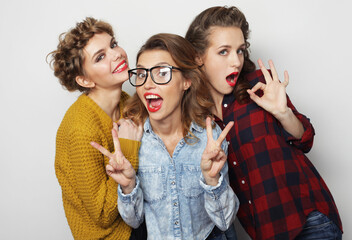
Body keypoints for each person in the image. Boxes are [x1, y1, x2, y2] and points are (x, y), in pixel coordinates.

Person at [185, 6, 343, 240]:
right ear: (198, 57)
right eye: (223, 52)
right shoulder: (194, 114)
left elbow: (305, 139)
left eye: (239, 50)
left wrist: (283, 113)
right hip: (264, 232)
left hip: (309, 223)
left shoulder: (261, 85)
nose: (236, 61)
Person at [91, 33, 239, 240]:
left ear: (186, 81)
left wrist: (213, 181)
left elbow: (225, 221)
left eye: (162, 73)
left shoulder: (210, 138)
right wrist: (128, 186)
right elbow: (134, 221)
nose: (148, 84)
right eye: (142, 74)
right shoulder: (134, 141)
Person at [48, 17, 146, 240]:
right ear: (85, 80)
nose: (116, 54)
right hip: (113, 236)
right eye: (100, 57)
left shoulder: (125, 101)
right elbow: (103, 214)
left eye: (113, 44)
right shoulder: (80, 128)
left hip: (137, 221)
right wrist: (130, 148)